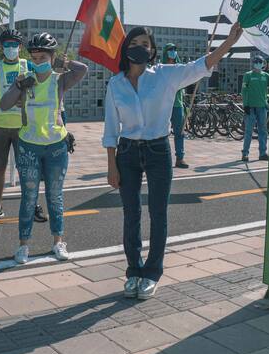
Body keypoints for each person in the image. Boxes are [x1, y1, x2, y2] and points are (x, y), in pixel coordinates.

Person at [104, 25, 244, 299]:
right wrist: (112, 164)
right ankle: (133, 271)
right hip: (127, 153)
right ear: (126, 47)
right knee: (131, 214)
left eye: (146, 44)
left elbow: (201, 65)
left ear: (152, 50)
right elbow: (111, 127)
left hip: (158, 151)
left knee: (158, 213)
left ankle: (152, 272)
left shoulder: (165, 76)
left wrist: (228, 42)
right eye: (135, 42)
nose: (141, 47)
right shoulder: (115, 83)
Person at [0, 32, 87, 264]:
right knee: (28, 197)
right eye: (34, 58)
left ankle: (58, 242)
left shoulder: (60, 80)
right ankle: (23, 246)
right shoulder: (25, 80)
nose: (38, 62)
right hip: (29, 147)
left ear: (52, 57)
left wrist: (65, 63)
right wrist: (18, 87)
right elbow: (4, 104)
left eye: (43, 58)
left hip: (56, 147)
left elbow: (82, 70)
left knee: (55, 197)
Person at [0, 30, 35, 222]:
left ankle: (33, 203)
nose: (11, 48)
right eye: (7, 45)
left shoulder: (29, 65)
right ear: (1, 47)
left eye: (15, 45)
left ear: (20, 47)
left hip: (23, 126)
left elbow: (38, 91)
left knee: (26, 168)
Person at [161, 43, 189, 168]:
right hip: (164, 104)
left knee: (180, 132)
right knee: (162, 133)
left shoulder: (179, 68)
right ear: (165, 52)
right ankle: (161, 159)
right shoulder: (160, 68)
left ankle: (180, 158)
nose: (173, 51)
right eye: (170, 49)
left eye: (175, 49)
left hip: (178, 104)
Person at [241, 56, 269, 162]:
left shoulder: (266, 76)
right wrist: (245, 105)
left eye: (260, 62)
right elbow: (244, 91)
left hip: (262, 107)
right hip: (250, 107)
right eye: (256, 62)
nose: (259, 64)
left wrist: (268, 100)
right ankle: (245, 153)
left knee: (263, 131)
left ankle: (263, 153)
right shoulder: (248, 75)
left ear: (263, 63)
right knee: (248, 131)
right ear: (253, 63)